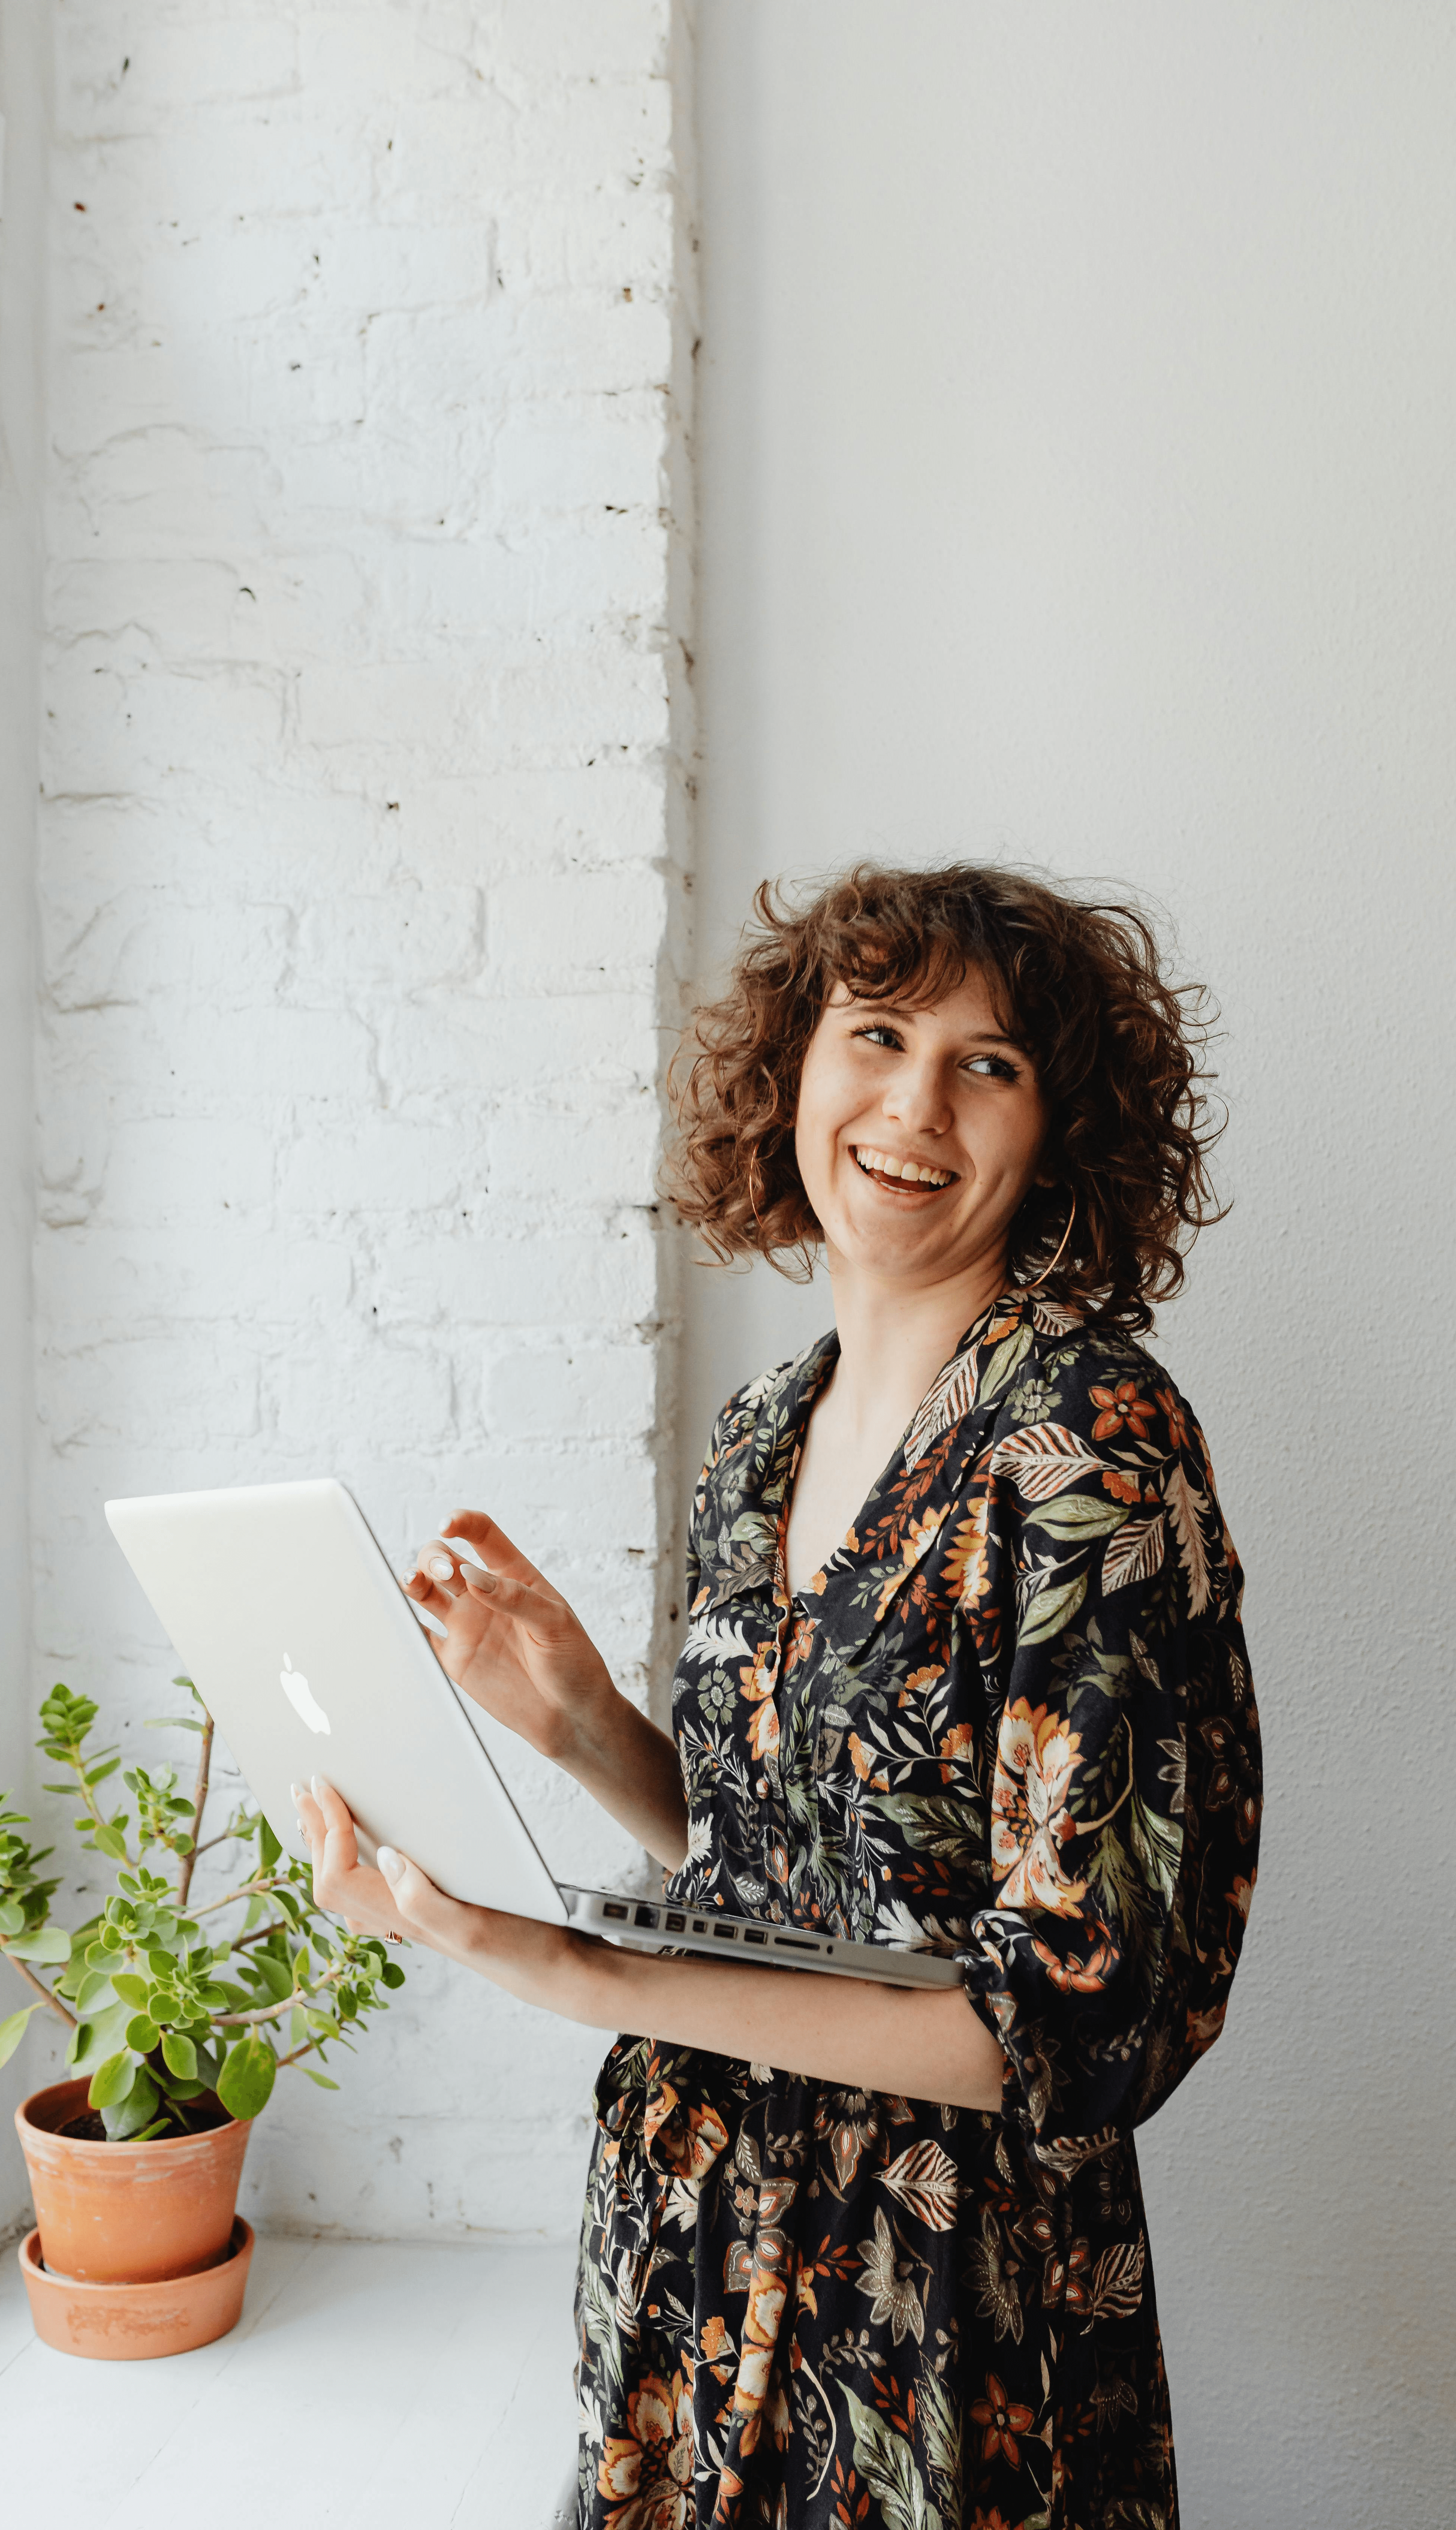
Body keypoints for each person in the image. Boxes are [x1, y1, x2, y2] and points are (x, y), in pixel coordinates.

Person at [295, 863, 1262, 2530]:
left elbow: (1085, 2026)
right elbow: (796, 1881)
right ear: (792, 1072)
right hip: (690, 2247)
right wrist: (586, 1723)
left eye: (989, 1062)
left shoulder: (1091, 1445)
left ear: (1059, 1129)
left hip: (940, 2309)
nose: (912, 1105)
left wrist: (561, 1963)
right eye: (875, 1035)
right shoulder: (759, 1437)